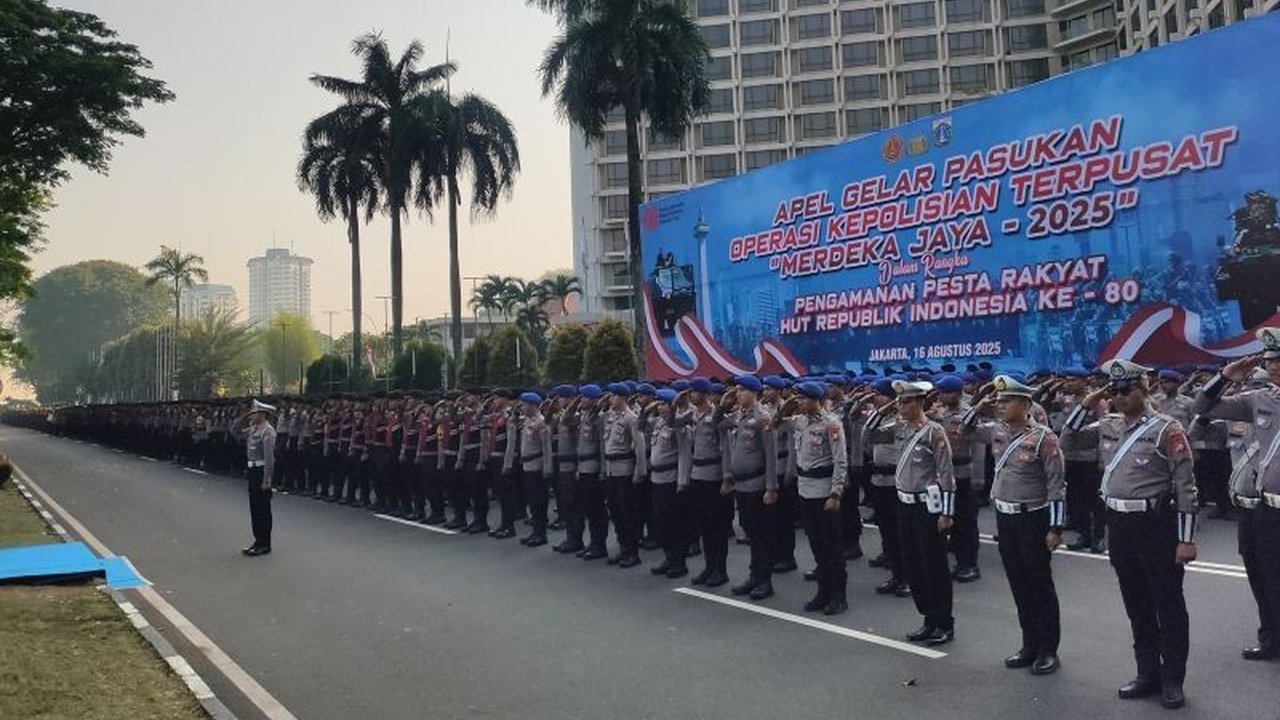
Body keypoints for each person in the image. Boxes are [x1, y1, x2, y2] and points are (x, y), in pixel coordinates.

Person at [1062, 359, 1197, 709]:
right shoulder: (1107, 424)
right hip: (1120, 525)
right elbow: (1069, 434)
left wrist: (1185, 539)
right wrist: (1091, 398)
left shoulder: (1168, 429)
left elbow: (1185, 486)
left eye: (1127, 390)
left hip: (1155, 524)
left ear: (1145, 389)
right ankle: (1147, 672)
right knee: (1135, 601)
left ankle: (1172, 679)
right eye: (1115, 391)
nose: (1120, 397)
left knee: (1167, 603)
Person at [965, 376, 1065, 675]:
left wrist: (1056, 528)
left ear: (1024, 404)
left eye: (1006, 400)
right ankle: (1029, 644)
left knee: (1039, 585)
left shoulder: (1044, 437)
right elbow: (964, 429)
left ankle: (1048, 649)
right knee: (1019, 584)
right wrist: (980, 403)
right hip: (1005, 517)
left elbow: (1056, 484)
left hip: (1032, 517)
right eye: (999, 400)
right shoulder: (997, 431)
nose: (1000, 405)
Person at [1194, 327, 1280, 662]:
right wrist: (1224, 376)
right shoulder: (1259, 400)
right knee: (1261, 575)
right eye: (1271, 360)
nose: (1274, 366)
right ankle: (1271, 637)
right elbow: (1205, 406)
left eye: (1279, 360)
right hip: (1264, 508)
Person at [868, 379, 956, 645]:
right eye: (899, 401)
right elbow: (868, 433)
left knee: (934, 567)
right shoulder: (899, 428)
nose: (901, 406)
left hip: (927, 508)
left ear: (920, 402)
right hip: (904, 504)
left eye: (906, 401)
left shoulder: (934, 432)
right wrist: (885, 410)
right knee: (913, 565)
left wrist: (946, 513)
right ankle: (928, 618)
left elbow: (946, 475)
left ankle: (944, 623)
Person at [781, 381, 850, 615]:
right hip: (805, 489)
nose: (799, 402)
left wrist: (835, 493)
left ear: (816, 400)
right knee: (816, 545)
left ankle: (838, 596)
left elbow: (840, 461)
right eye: (798, 398)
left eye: (803, 398)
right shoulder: (799, 422)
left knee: (832, 547)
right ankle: (823, 591)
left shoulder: (831, 424)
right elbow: (775, 426)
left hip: (824, 491)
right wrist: (786, 406)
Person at [724, 375, 779, 601]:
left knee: (761, 534)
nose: (738, 394)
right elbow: (717, 422)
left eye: (742, 391)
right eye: (736, 391)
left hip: (757, 485)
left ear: (753, 393)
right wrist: (723, 403)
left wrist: (771, 487)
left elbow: (771, 455)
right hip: (742, 484)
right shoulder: (739, 416)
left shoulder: (762, 418)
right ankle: (754, 576)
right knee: (749, 530)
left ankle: (764, 580)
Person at [239, 399, 277, 557]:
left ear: (262, 414)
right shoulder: (254, 429)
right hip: (253, 470)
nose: (251, 416)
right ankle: (257, 540)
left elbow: (269, 458)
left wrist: (267, 480)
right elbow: (235, 432)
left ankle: (265, 543)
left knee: (263, 509)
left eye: (254, 413)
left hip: (261, 471)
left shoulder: (267, 431)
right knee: (254, 508)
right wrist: (241, 419)